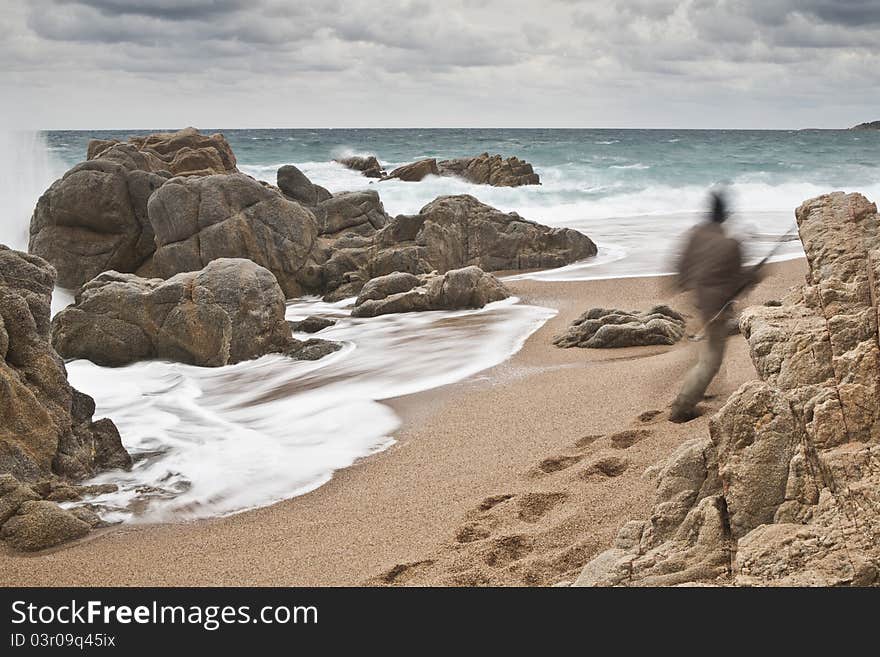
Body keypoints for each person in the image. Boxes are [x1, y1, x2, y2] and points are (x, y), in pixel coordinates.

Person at [669, 190, 761, 423]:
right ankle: (682, 406)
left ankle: (706, 389)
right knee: (711, 359)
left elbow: (682, 268)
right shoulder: (730, 245)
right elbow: (740, 282)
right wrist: (757, 273)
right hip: (716, 310)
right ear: (726, 215)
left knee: (706, 353)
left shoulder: (696, 235)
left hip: (693, 300)